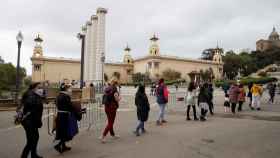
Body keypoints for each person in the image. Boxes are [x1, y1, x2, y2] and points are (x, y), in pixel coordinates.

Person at [20, 82, 44, 158]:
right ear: (34, 87)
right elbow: (31, 105)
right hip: (29, 121)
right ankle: (24, 156)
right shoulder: (31, 95)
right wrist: (39, 97)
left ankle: (34, 154)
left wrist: (40, 97)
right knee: (31, 140)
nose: (41, 89)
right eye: (39, 87)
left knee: (35, 137)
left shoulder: (33, 94)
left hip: (32, 120)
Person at [54, 83, 78, 153]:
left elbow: (56, 103)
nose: (70, 89)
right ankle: (58, 145)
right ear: (66, 89)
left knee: (62, 131)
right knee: (65, 131)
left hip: (60, 114)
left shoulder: (58, 95)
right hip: (64, 115)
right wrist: (76, 112)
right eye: (69, 88)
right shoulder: (65, 96)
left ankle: (63, 146)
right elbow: (70, 106)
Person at [100, 78, 121, 143]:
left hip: (106, 107)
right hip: (112, 108)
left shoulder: (107, 88)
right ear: (116, 83)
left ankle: (112, 134)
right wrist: (120, 98)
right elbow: (116, 99)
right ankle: (103, 136)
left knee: (110, 121)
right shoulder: (115, 89)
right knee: (111, 123)